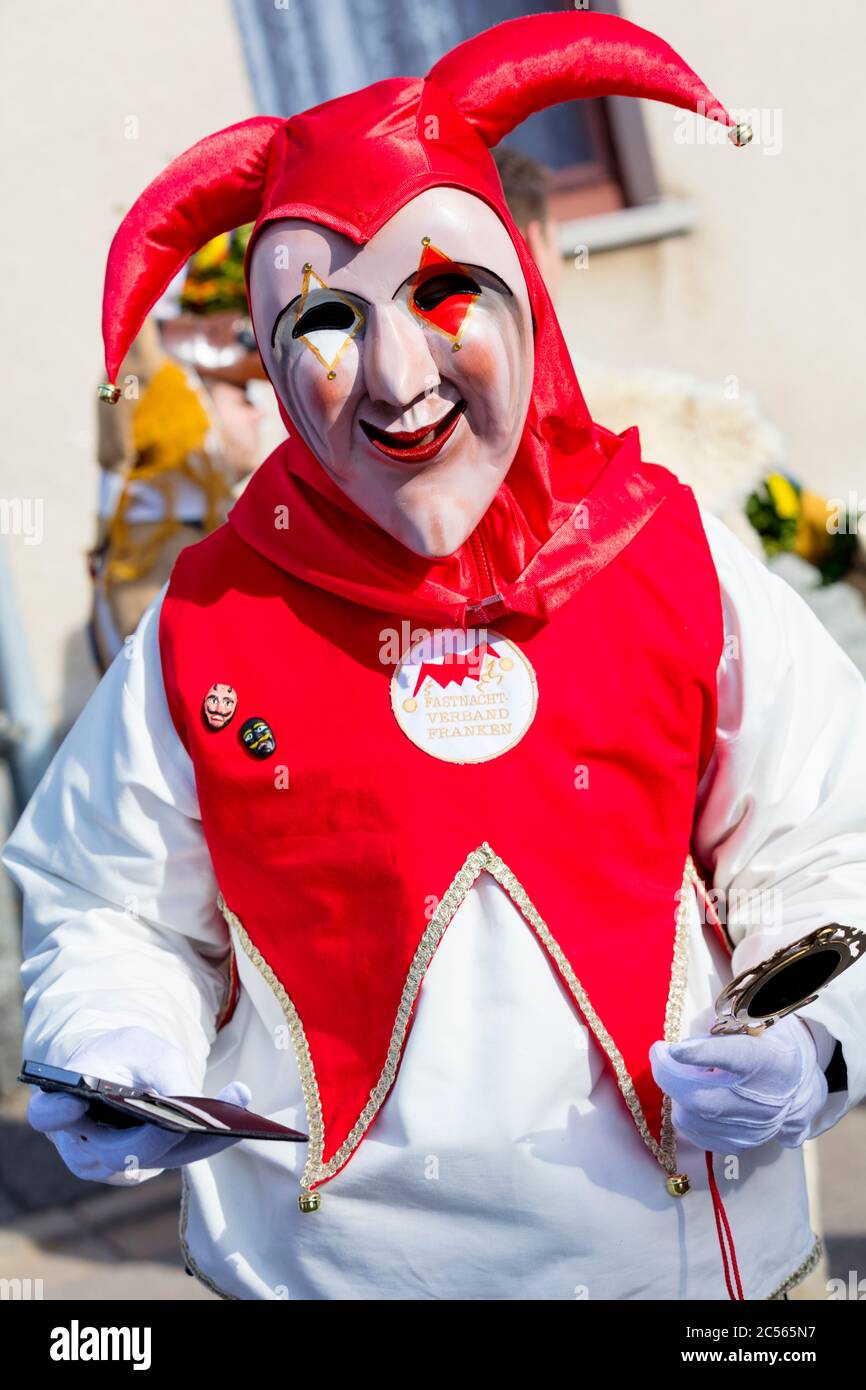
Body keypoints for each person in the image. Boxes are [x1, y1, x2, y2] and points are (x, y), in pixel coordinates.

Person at [4, 11, 866, 1302]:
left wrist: (812, 1040)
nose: (395, 374)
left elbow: (823, 845)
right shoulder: (209, 617)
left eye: (440, 291)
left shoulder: (673, 561)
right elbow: (111, 903)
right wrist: (116, 1043)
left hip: (689, 1284)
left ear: (522, 290)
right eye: (326, 321)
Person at [89, 228, 265, 671]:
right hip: (150, 564)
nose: (259, 414)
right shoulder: (152, 366)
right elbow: (119, 403)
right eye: (243, 396)